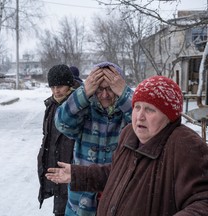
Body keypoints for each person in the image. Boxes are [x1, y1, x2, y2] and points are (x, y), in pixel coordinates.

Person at [46, 75, 208, 216]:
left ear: (169, 114)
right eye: (137, 107)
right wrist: (78, 174)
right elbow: (116, 173)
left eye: (150, 110)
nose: (140, 117)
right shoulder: (130, 133)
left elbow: (202, 201)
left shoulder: (186, 145)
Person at [54, 61, 133, 215]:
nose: (104, 95)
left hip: (119, 194)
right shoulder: (84, 108)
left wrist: (125, 94)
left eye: (110, 89)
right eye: (99, 89)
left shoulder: (127, 111)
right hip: (81, 200)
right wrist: (83, 92)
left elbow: (149, 124)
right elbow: (61, 123)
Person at [37, 64, 75, 216]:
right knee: (60, 209)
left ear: (69, 85)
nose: (55, 91)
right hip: (56, 168)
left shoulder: (78, 104)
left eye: (59, 86)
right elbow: (47, 136)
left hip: (72, 169)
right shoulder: (51, 105)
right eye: (52, 87)